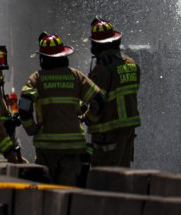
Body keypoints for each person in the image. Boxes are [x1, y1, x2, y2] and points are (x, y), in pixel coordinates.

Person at [18, 33, 105, 187]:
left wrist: (32, 129)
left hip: (46, 148)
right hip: (73, 147)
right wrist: (87, 119)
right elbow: (99, 100)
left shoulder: (37, 78)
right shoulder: (76, 77)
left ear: (42, 58)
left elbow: (24, 107)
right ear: (64, 55)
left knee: (46, 192)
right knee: (68, 192)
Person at [85, 18, 141, 168]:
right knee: (123, 171)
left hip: (108, 133)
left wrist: (86, 117)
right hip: (128, 131)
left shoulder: (102, 69)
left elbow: (97, 103)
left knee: (105, 176)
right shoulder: (131, 63)